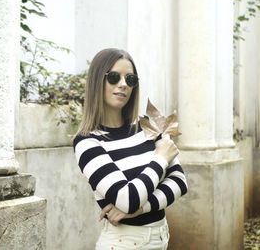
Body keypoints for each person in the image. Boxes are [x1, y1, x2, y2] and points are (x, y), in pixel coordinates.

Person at [73, 48, 188, 250]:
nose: (123, 84)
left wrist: (139, 209)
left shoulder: (147, 126)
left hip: (161, 239)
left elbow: (179, 183)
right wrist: (160, 158)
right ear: (97, 81)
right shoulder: (87, 142)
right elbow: (127, 199)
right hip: (123, 243)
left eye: (130, 79)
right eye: (114, 77)